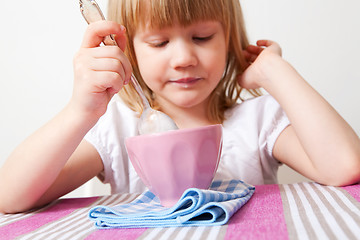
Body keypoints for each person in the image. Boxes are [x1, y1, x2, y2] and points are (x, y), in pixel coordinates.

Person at [0, 0, 359, 214]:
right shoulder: (117, 128)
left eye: (202, 37)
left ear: (230, 39)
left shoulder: (258, 119)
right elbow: (10, 196)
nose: (184, 58)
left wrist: (274, 71)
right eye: (159, 42)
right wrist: (80, 111)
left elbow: (344, 166)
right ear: (130, 52)